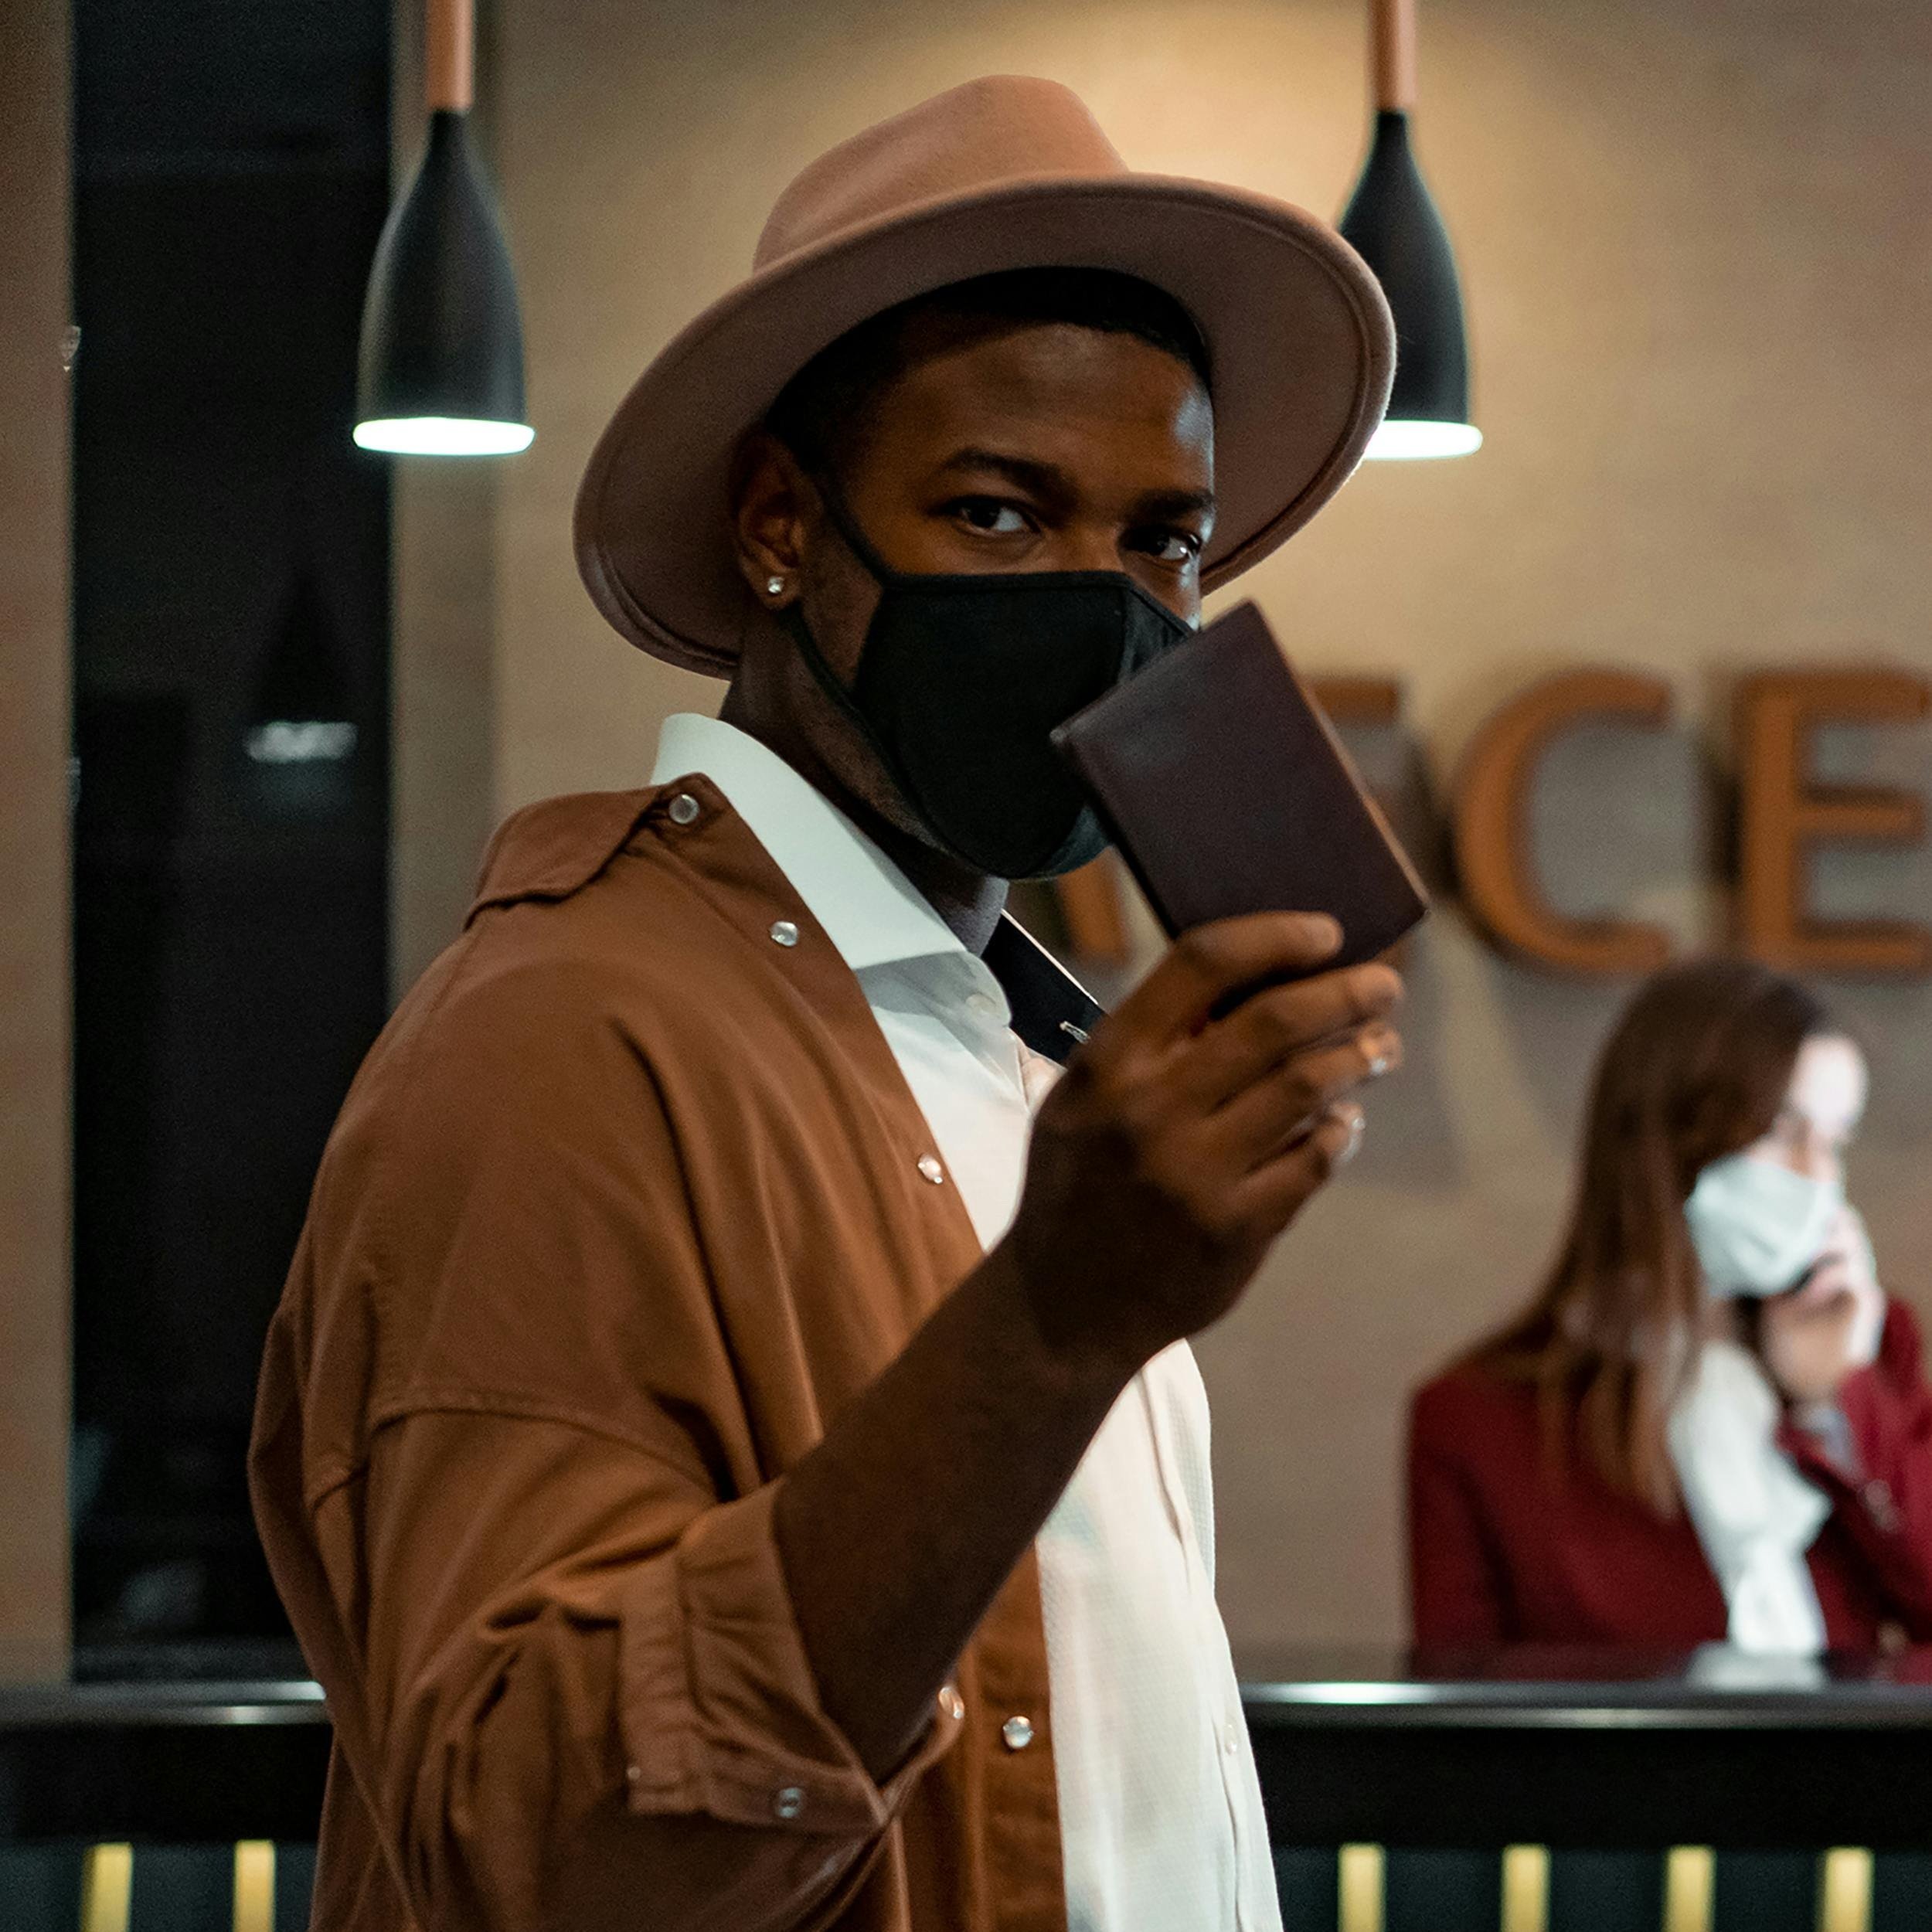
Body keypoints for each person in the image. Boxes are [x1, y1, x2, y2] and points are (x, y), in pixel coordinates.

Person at [250, 76, 1406, 1932]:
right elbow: (527, 1838)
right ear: (781, 524)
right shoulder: (557, 1043)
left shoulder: (1013, 1047)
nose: (1102, 601)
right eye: (997, 513)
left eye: (1162, 539)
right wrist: (1043, 1327)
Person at [1409, 957, 1932, 1654]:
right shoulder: (1478, 1419)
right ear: (1666, 1137)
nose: (1818, 1178)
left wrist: (1833, 1404)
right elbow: (1464, 1707)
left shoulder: (1871, 1346)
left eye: (1835, 1142)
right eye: (1783, 1132)